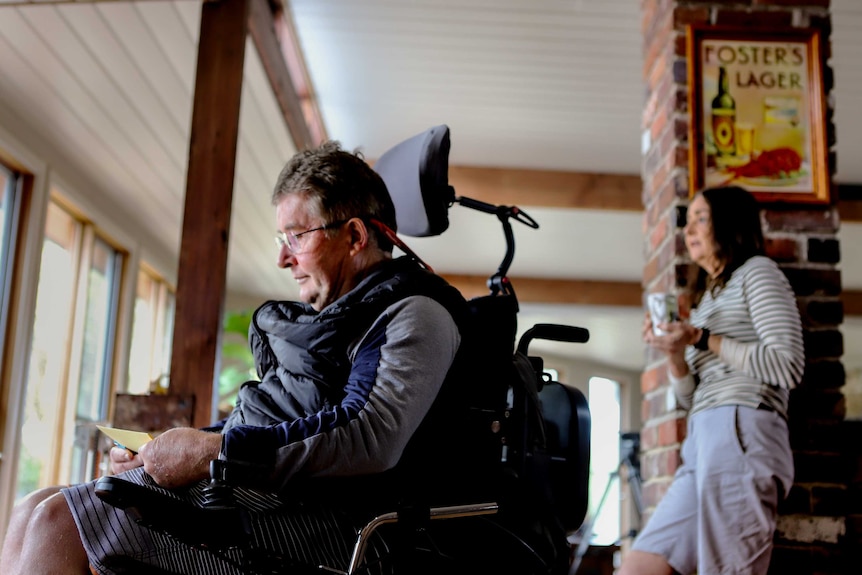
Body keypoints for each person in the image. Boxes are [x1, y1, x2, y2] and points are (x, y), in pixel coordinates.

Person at [0, 141, 476, 575]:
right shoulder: (336, 319)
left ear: (353, 237)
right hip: (274, 496)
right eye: (281, 239)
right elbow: (281, 428)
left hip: (347, 529)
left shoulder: (417, 315)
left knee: (56, 521)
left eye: (297, 236)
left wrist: (210, 453)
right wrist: (168, 449)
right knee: (33, 507)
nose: (283, 259)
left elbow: (370, 438)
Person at [619, 186, 805, 575]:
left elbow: (787, 365)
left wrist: (702, 338)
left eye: (701, 218)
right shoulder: (708, 299)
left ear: (731, 223)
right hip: (704, 438)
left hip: (742, 428)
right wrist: (674, 353)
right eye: (688, 222)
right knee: (639, 565)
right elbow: (689, 398)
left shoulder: (758, 272)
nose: (689, 230)